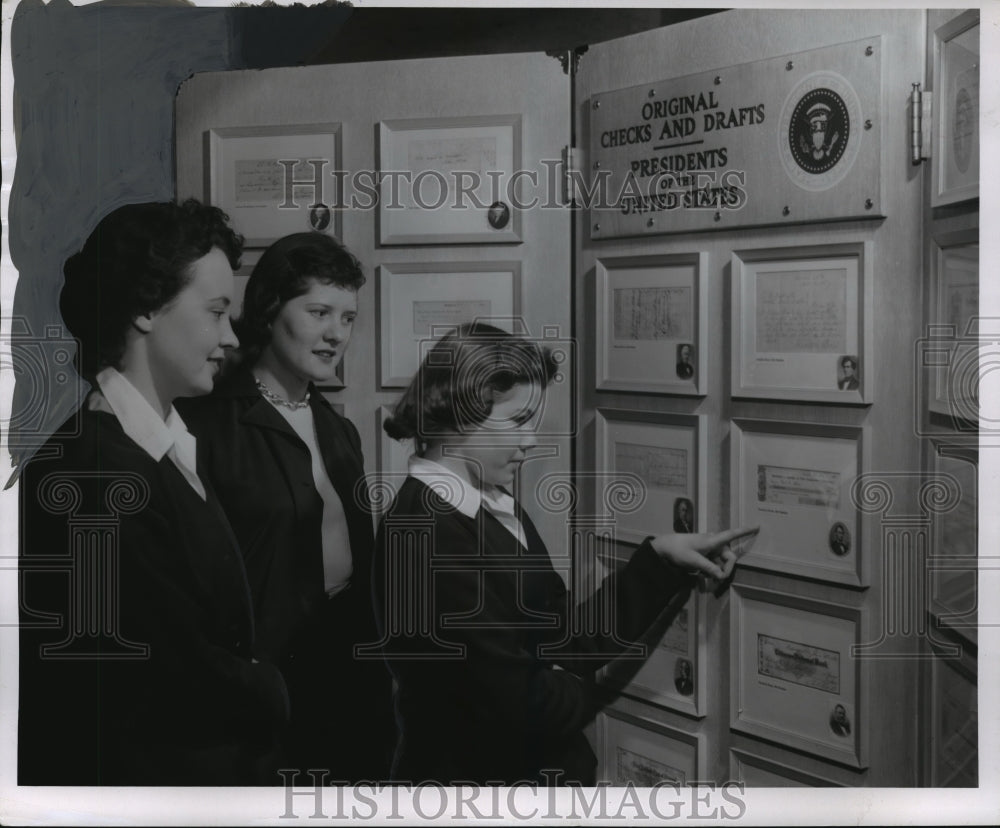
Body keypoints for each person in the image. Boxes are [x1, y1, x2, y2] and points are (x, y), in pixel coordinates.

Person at [374, 322, 758, 785]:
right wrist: (574, 684)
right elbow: (521, 705)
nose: (532, 442)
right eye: (517, 422)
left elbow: (563, 637)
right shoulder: (424, 532)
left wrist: (660, 559)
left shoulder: (491, 503)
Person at [18, 199, 289, 785]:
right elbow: (166, 683)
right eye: (216, 312)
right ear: (146, 308)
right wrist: (271, 686)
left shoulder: (157, 445)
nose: (230, 336)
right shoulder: (93, 475)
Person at [180, 231, 394, 781]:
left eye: (347, 318)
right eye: (319, 311)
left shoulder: (339, 429)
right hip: (263, 683)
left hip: (348, 667)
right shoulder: (208, 426)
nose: (335, 334)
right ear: (271, 309)